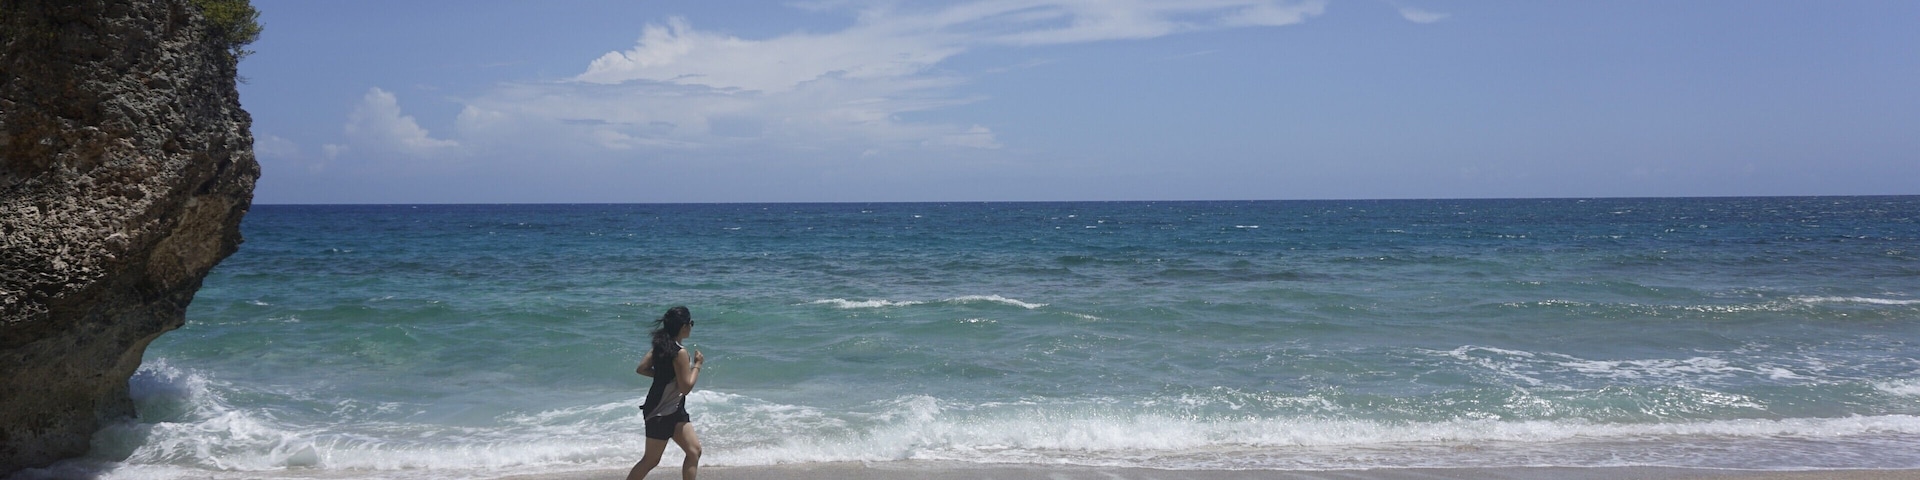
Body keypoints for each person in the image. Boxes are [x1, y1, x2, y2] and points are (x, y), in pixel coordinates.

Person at [628, 306, 705, 480]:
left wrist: (667, 377)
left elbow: (642, 369)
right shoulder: (680, 352)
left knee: (694, 451)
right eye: (691, 323)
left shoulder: (660, 346)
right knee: (651, 460)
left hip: (675, 409)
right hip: (660, 412)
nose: (691, 327)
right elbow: (686, 388)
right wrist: (698, 365)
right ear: (684, 326)